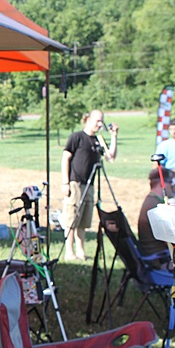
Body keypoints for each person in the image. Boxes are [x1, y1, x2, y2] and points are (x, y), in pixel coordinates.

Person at [61, 110, 119, 261]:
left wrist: (113, 137)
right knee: (72, 218)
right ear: (88, 119)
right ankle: (69, 251)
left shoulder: (98, 140)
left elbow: (110, 157)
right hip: (75, 183)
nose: (100, 124)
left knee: (84, 221)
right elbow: (65, 158)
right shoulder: (77, 137)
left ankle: (80, 250)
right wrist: (65, 182)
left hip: (90, 184)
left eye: (102, 121)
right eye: (97, 121)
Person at [137, 168, 174, 270]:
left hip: (158, 256)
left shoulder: (152, 201)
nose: (173, 186)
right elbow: (169, 240)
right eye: (171, 181)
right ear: (162, 184)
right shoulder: (155, 207)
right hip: (160, 261)